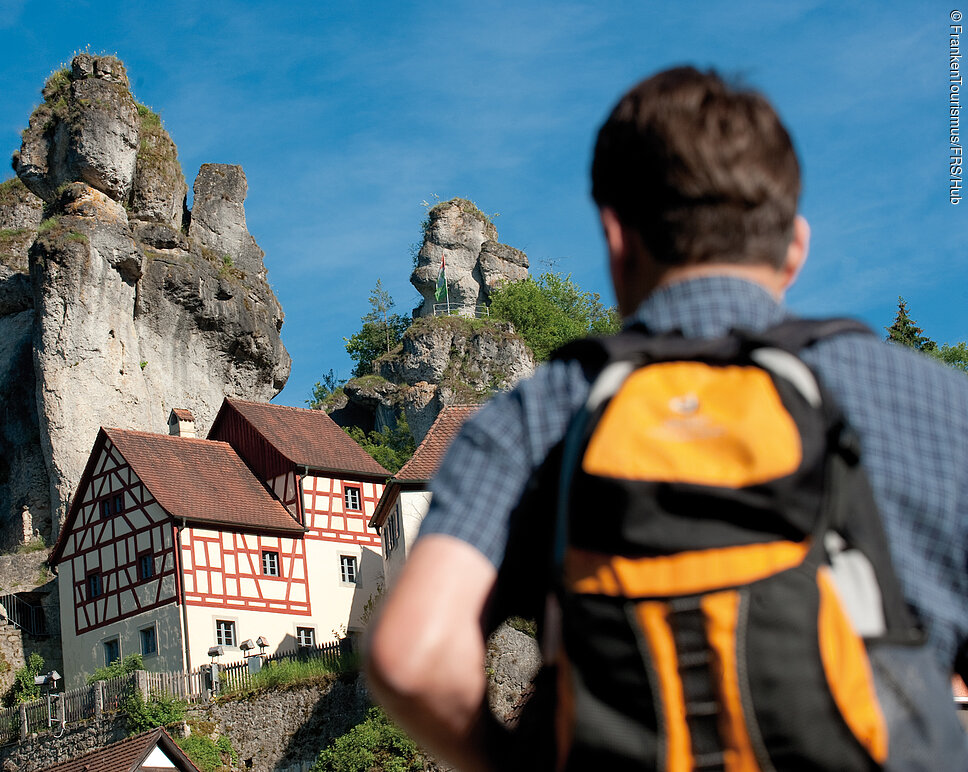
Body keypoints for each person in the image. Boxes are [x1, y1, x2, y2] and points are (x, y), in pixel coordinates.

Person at [366, 66, 968, 770]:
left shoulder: (539, 415)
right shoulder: (930, 403)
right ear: (794, 246)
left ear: (617, 240)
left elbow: (412, 658)